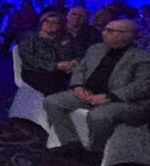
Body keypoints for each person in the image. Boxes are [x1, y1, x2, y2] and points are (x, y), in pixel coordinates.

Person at [44, 20, 150, 153]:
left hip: (122, 101)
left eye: (110, 31)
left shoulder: (142, 57)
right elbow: (80, 69)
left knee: (98, 116)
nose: (104, 33)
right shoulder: (96, 49)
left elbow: (142, 86)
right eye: (105, 29)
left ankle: (95, 153)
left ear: (126, 35)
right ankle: (71, 143)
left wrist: (108, 97)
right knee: (52, 102)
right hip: (89, 94)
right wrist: (77, 87)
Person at [18, 12, 77, 94]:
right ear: (41, 23)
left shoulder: (61, 39)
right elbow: (29, 59)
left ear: (60, 26)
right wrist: (55, 66)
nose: (50, 24)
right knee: (57, 87)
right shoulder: (30, 37)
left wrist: (72, 62)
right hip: (34, 71)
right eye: (47, 21)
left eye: (54, 22)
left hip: (58, 72)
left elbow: (69, 55)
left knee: (76, 82)